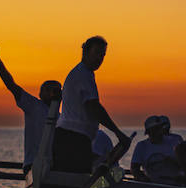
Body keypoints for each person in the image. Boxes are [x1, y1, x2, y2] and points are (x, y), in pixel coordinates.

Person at [53, 35, 131, 173]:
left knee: (78, 179)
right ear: (85, 52)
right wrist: (118, 132)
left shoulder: (83, 74)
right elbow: (94, 107)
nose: (100, 58)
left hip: (74, 138)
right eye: (97, 53)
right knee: (77, 181)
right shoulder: (83, 75)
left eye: (103, 55)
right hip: (73, 138)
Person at [0, 47, 62, 169]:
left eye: (55, 90)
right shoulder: (33, 106)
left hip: (52, 167)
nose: (51, 93)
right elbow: (11, 85)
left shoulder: (61, 118)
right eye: (48, 90)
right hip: (32, 164)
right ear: (40, 93)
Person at [131, 115, 183, 183]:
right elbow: (135, 169)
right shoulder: (141, 146)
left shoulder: (175, 141)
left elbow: (185, 165)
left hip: (174, 184)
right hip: (152, 186)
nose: (158, 132)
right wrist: (143, 179)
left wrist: (174, 162)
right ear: (148, 132)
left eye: (159, 128)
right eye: (155, 129)